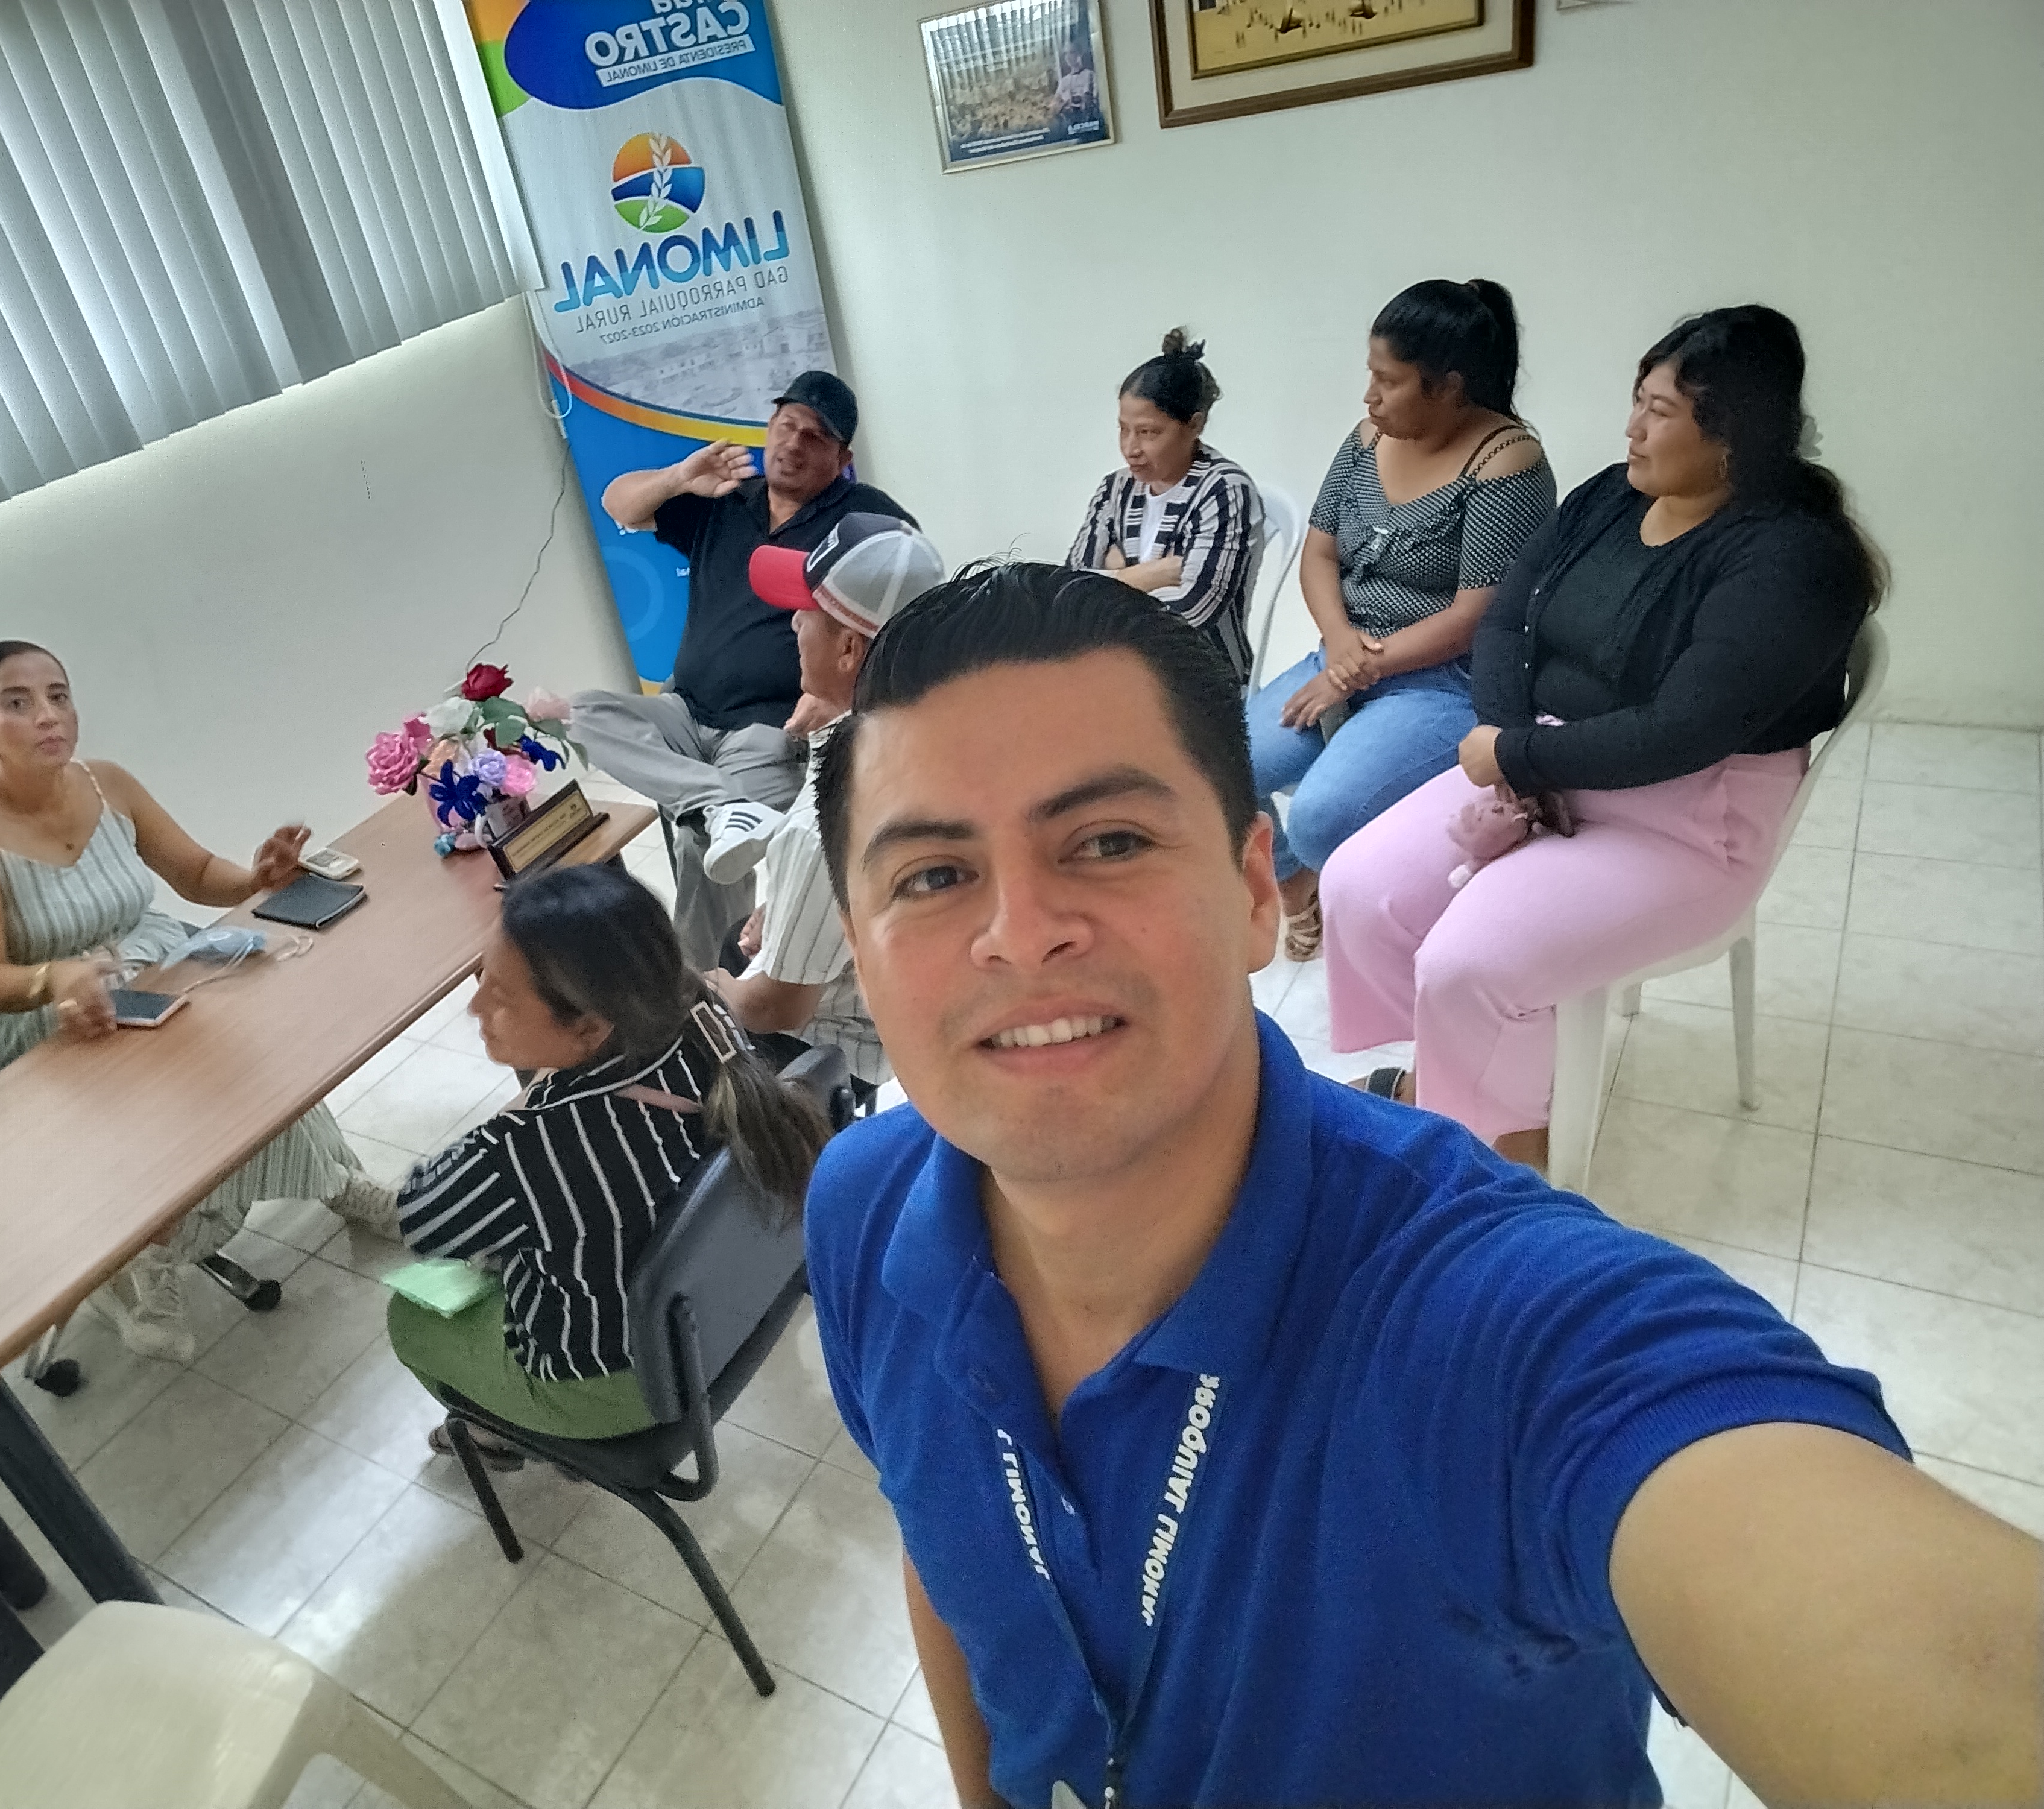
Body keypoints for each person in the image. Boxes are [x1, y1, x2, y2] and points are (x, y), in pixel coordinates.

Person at [803, 564, 2038, 1809]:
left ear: (1253, 892)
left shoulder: (1499, 1330)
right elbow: (947, 1540)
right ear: (859, 951)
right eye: (932, 876)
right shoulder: (863, 1207)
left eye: (1109, 842)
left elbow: (1917, 1656)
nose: (1021, 932)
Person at [1320, 305, 1885, 1173]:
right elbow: (1507, 620)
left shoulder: (1793, 559)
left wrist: (1518, 759)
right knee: (1360, 888)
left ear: (1733, 432)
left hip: (1686, 819)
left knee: (1469, 960)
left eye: (1659, 411)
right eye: (1637, 400)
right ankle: (1454, 1086)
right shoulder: (1609, 499)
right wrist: (1511, 742)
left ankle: (1511, 1156)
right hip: (1544, 762)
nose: (1632, 427)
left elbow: (1685, 731)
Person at [0, 642, 396, 1363]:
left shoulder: (107, 781)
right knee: (171, 1094)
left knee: (248, 1047)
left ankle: (334, 1180)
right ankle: (152, 1257)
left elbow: (196, 872)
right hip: (54, 1011)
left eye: (59, 695)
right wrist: (54, 978)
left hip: (157, 967)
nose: (48, 715)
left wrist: (255, 880)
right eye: (17, 702)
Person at [387, 863, 832, 1465]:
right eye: (481, 977)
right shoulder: (705, 1017)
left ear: (591, 1023)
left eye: (501, 995)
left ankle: (498, 1435)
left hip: (616, 1387)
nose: (475, 1007)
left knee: (410, 1317)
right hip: (724, 1311)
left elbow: (421, 1220)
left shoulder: (533, 1148)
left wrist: (529, 1100)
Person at [1248, 279, 1556, 962]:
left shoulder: (1507, 462)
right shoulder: (1367, 439)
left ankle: (1387, 918)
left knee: (1323, 819)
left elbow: (1474, 617)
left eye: (1388, 381)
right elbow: (1319, 552)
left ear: (1447, 387)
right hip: (1344, 656)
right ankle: (1296, 887)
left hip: (1442, 682)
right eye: (1371, 375)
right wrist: (1338, 647)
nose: (1370, 396)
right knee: (1219, 767)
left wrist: (1356, 669)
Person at [573, 371, 915, 968]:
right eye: (787, 425)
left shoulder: (864, 522)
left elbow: (907, 613)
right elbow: (617, 503)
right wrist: (679, 477)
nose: (794, 443)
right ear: (769, 426)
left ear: (842, 458)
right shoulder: (726, 498)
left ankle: (709, 985)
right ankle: (717, 801)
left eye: (815, 436)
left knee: (700, 844)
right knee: (581, 714)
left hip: (768, 728)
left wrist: (844, 697)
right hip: (686, 708)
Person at [703, 513, 949, 1108]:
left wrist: (709, 990)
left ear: (848, 649)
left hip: (832, 1048)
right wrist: (786, 906)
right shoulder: (934, 734)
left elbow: (778, 1008)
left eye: (806, 611)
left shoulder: (828, 822)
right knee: (740, 936)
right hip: (902, 1004)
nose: (792, 622)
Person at [1067, 328, 1264, 689]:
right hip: (1117, 672)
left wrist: (1112, 575)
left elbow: (1193, 611)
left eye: (1148, 433)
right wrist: (1148, 576)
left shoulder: (1223, 490)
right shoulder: (1115, 488)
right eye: (1123, 430)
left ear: (1195, 425)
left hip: (1200, 682)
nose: (1131, 449)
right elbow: (1068, 587)